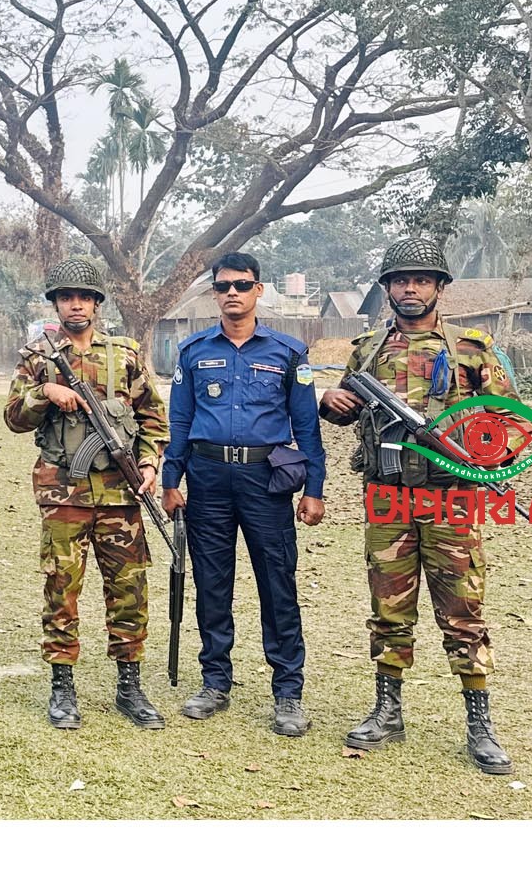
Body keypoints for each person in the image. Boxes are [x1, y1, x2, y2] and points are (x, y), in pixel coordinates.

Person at [318, 237, 518, 774]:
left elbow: (512, 421)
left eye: (421, 280)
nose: (410, 288)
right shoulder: (367, 350)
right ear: (387, 290)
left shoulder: (472, 350)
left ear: (439, 289)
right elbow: (346, 407)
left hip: (451, 496)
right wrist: (330, 403)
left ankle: (479, 723)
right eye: (400, 280)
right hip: (387, 496)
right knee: (388, 607)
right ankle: (388, 710)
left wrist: (476, 446)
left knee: (462, 608)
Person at [161, 252, 326, 737]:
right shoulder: (192, 352)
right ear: (215, 293)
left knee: (278, 584)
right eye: (224, 285)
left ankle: (288, 692)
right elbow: (180, 421)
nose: (232, 292)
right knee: (213, 584)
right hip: (208, 478)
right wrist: (172, 479)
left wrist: (314, 487)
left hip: (265, 483)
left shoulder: (288, 353)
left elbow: (307, 426)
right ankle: (215, 681)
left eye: (242, 284)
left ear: (259, 291)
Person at [2, 257, 170, 730]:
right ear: (55, 303)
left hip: (121, 495)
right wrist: (45, 394)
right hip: (64, 494)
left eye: (84, 297)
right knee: (62, 588)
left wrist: (150, 461)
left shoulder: (124, 354)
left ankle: (129, 686)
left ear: (97, 303)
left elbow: (155, 418)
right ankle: (62, 688)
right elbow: (14, 417)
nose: (75, 304)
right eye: (66, 297)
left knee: (129, 590)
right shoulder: (38, 357)